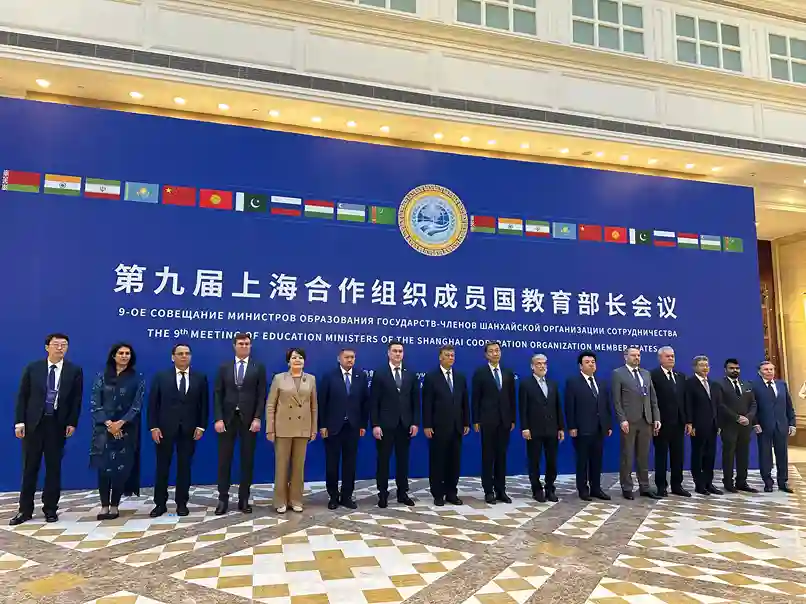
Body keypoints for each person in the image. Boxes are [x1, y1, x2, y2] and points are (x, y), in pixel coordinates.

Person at [11, 333, 84, 526]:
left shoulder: (74, 370)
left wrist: (72, 422)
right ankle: (24, 510)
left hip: (57, 424)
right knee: (30, 468)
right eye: (56, 344)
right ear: (47, 347)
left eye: (64, 345)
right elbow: (22, 396)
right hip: (33, 424)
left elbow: (76, 399)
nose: (60, 348)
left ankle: (50, 509)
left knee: (53, 469)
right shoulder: (33, 368)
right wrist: (19, 422)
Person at [148, 343, 209, 517]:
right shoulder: (161, 377)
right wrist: (153, 427)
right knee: (162, 467)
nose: (184, 356)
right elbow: (153, 404)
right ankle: (160, 504)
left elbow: (204, 404)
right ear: (172, 357)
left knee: (184, 468)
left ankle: (182, 503)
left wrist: (201, 426)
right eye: (180, 353)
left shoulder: (200, 377)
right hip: (164, 429)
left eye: (187, 353)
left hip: (189, 430)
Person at [90, 343, 146, 520]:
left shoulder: (137, 378)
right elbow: (95, 403)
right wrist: (109, 424)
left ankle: (115, 505)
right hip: (103, 429)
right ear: (113, 356)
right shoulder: (101, 376)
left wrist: (120, 423)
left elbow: (137, 405)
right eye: (121, 353)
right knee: (103, 468)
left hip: (126, 429)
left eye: (127, 353)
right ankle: (104, 506)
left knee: (121, 469)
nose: (124, 356)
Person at [213, 332, 267, 515]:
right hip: (227, 420)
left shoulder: (258, 367)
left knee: (247, 460)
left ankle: (244, 499)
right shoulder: (224, 367)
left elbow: (261, 395)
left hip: (249, 420)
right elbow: (218, 394)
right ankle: (223, 499)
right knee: (224, 460)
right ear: (234, 346)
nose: (244, 346)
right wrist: (218, 418)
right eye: (241, 344)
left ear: (251, 346)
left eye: (247, 344)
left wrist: (257, 417)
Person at [266, 347, 318, 513]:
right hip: (283, 428)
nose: (297, 360)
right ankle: (280, 501)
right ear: (288, 361)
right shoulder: (279, 378)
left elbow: (314, 406)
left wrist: (313, 429)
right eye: (294, 357)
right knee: (281, 467)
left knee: (298, 467)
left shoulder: (310, 379)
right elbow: (271, 405)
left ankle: (296, 500)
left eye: (300, 357)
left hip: (303, 427)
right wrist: (270, 429)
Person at [370, 340, 420, 508]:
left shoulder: (410, 374)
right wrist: (375, 424)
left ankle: (402, 493)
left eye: (400, 351)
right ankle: (382, 493)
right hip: (385, 425)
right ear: (388, 353)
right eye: (395, 351)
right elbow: (374, 401)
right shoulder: (380, 373)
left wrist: (415, 422)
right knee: (383, 461)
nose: (398, 354)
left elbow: (415, 401)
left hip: (405, 425)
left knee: (403, 461)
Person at [318, 348, 369, 510]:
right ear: (339, 359)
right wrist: (322, 425)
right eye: (346, 357)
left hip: (353, 427)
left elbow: (365, 402)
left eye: (352, 357)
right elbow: (322, 402)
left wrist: (363, 425)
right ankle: (333, 496)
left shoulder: (361, 376)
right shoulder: (329, 376)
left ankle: (347, 496)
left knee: (350, 464)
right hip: (333, 427)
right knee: (332, 464)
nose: (350, 360)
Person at [422, 345, 469, 507]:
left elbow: (464, 401)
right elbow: (427, 403)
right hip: (438, 427)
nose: (451, 357)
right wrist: (427, 425)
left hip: (457, 426)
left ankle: (451, 492)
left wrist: (466, 421)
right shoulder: (431, 377)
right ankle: (438, 494)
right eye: (447, 355)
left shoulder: (460, 377)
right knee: (438, 461)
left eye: (452, 355)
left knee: (454, 462)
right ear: (440, 357)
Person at [612, 347, 661, 500]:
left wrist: (656, 418)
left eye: (638, 355)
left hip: (646, 420)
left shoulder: (646, 373)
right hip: (629, 421)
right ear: (625, 356)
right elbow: (616, 400)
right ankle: (627, 487)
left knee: (643, 456)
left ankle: (644, 486)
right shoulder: (618, 373)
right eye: (633, 355)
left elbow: (653, 398)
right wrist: (622, 419)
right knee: (627, 456)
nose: (636, 357)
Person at [472, 341, 516, 504]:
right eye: (491, 351)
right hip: (487, 420)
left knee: (501, 456)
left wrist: (512, 418)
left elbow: (512, 398)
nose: (495, 353)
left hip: (504, 421)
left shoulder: (508, 372)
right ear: (486, 355)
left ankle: (501, 490)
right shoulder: (480, 373)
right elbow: (475, 398)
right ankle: (488, 490)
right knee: (488, 456)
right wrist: (476, 419)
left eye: (497, 350)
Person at [565, 351, 612, 501]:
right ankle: (583, 489)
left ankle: (596, 488)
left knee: (597, 461)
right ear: (580, 366)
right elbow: (570, 406)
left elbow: (606, 405)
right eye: (587, 362)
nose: (591, 364)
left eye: (593, 362)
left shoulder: (601, 382)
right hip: (582, 429)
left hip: (599, 428)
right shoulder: (573, 382)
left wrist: (608, 425)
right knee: (582, 461)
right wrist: (572, 426)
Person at [519, 353, 564, 503]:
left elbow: (558, 407)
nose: (542, 366)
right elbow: (523, 408)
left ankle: (550, 488)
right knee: (534, 461)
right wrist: (525, 427)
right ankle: (537, 489)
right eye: (538, 363)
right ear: (532, 366)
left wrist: (560, 427)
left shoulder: (553, 383)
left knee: (552, 461)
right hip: (534, 430)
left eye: (544, 363)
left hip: (552, 429)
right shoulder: (526, 384)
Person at [650, 346, 690, 498]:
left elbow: (685, 400)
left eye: (672, 356)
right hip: (661, 423)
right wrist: (654, 420)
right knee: (661, 456)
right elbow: (651, 400)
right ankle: (661, 486)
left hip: (678, 423)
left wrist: (688, 421)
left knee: (678, 456)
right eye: (667, 356)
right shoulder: (653, 375)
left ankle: (677, 485)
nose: (671, 358)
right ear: (660, 358)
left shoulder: (680, 376)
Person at [752, 360, 796, 493]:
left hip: (781, 425)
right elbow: (752, 407)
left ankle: (783, 482)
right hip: (764, 426)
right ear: (760, 372)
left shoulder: (782, 384)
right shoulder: (754, 386)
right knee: (765, 455)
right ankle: (768, 482)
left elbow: (789, 406)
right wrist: (755, 423)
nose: (769, 372)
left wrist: (792, 423)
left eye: (771, 369)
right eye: (766, 369)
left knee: (782, 454)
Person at [718, 358, 757, 493]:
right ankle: (728, 482)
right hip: (729, 425)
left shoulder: (746, 384)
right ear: (725, 370)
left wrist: (748, 417)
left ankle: (742, 482)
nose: (735, 370)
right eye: (732, 368)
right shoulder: (719, 384)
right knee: (728, 455)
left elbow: (753, 404)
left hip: (745, 426)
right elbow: (720, 405)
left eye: (737, 368)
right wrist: (737, 417)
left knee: (743, 454)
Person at [685, 355, 722, 496]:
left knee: (710, 455)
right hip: (697, 426)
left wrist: (718, 423)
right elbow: (688, 404)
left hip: (712, 426)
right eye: (701, 365)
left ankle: (708, 483)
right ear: (695, 367)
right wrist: (690, 423)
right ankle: (699, 484)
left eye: (707, 365)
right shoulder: (690, 384)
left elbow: (717, 406)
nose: (705, 368)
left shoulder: (713, 384)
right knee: (698, 455)